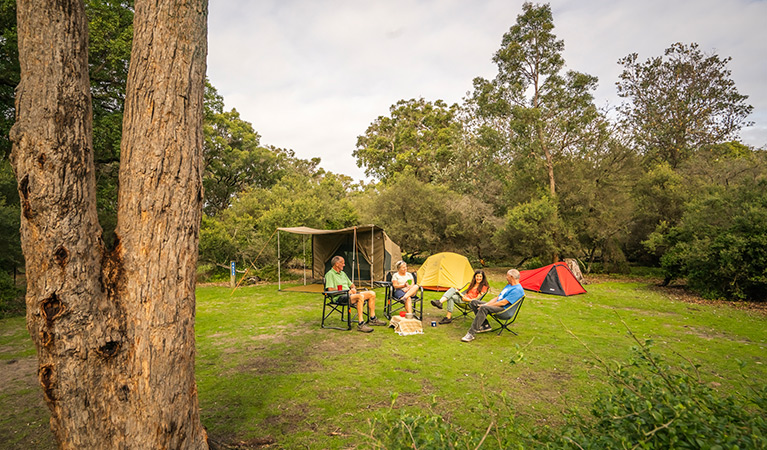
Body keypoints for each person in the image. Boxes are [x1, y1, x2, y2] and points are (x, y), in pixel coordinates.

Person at [325, 256, 386, 333]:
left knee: (372, 293)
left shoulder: (343, 273)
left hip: (350, 295)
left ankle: (373, 319)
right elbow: (330, 289)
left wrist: (353, 288)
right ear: (337, 264)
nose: (344, 265)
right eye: (343, 263)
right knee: (360, 296)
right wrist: (346, 291)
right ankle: (361, 324)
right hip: (339, 297)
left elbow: (351, 284)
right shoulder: (330, 274)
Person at [461, 269, 523, 342]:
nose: (506, 277)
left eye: (507, 276)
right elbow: (497, 298)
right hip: (498, 305)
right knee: (474, 302)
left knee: (484, 308)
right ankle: (485, 326)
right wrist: (487, 304)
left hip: (504, 310)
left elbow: (503, 303)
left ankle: (471, 334)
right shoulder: (509, 285)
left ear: (512, 277)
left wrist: (486, 306)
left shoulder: (517, 290)